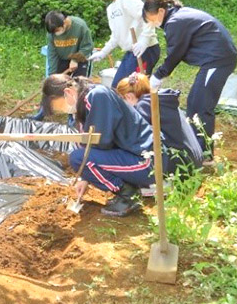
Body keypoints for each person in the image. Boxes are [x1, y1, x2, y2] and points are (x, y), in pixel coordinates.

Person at [42, 74, 154, 216]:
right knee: (81, 156)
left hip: (148, 162)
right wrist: (85, 177)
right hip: (133, 156)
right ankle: (128, 190)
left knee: (78, 158)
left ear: (68, 92)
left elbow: (101, 142)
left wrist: (86, 172)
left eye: (60, 107)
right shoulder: (85, 104)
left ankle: (128, 195)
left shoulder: (97, 96)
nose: (64, 111)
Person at [143, 0, 237, 156]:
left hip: (218, 59)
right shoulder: (177, 16)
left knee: (201, 105)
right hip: (215, 59)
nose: (151, 23)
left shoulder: (175, 22)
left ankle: (204, 154)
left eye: (151, 18)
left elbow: (175, 54)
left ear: (160, 11)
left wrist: (158, 76)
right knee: (194, 102)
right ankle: (198, 150)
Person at [116, 73, 203, 175]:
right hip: (194, 160)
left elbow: (137, 141)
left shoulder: (143, 107)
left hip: (181, 167)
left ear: (129, 97)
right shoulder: (161, 100)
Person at [89, 0, 160, 88]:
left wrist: (144, 41)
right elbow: (116, 36)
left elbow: (148, 18)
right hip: (132, 52)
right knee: (118, 87)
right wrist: (103, 52)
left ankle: (145, 106)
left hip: (146, 50)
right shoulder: (111, 8)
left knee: (133, 89)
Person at [45, 11, 94, 76]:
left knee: (79, 84)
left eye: (57, 30)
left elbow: (88, 46)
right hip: (62, 59)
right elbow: (52, 54)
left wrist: (75, 59)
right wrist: (52, 75)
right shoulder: (51, 33)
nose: (55, 34)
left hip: (81, 58)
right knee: (60, 83)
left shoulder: (80, 26)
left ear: (64, 22)